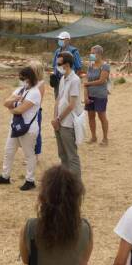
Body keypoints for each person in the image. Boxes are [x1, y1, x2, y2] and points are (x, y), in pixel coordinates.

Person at [0, 66, 42, 191]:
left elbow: (20, 109)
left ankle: (30, 180)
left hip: (28, 128)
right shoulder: (20, 90)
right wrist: (13, 100)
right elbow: (6, 102)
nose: (20, 80)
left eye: (23, 78)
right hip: (15, 126)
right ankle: (5, 176)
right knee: (8, 151)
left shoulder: (35, 92)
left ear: (29, 78)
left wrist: (11, 108)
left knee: (29, 154)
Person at [53, 52, 82, 180]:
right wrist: (55, 118)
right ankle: (65, 180)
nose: (57, 65)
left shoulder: (75, 80)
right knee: (62, 154)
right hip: (59, 122)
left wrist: (59, 119)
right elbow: (58, 100)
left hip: (68, 123)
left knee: (71, 155)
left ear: (67, 64)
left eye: (59, 63)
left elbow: (71, 105)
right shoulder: (62, 78)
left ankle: (75, 183)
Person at [83, 45, 110, 146]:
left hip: (100, 95)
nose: (91, 55)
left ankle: (105, 138)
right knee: (91, 116)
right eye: (91, 53)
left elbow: (102, 81)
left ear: (99, 54)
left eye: (93, 53)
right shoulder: (90, 65)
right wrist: (85, 96)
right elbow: (86, 80)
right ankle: (93, 137)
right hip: (90, 94)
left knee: (102, 116)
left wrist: (87, 84)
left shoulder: (105, 66)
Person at [52, 32, 82, 96]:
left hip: (69, 80)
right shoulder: (57, 51)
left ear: (68, 40)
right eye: (59, 39)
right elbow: (54, 65)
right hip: (58, 81)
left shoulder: (74, 52)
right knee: (58, 99)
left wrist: (73, 81)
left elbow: (78, 68)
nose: (60, 41)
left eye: (62, 39)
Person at [30, 60, 48, 160]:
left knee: (36, 132)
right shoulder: (28, 81)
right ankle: (29, 153)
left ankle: (36, 154)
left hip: (36, 111)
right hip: (27, 110)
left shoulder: (40, 84)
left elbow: (38, 100)